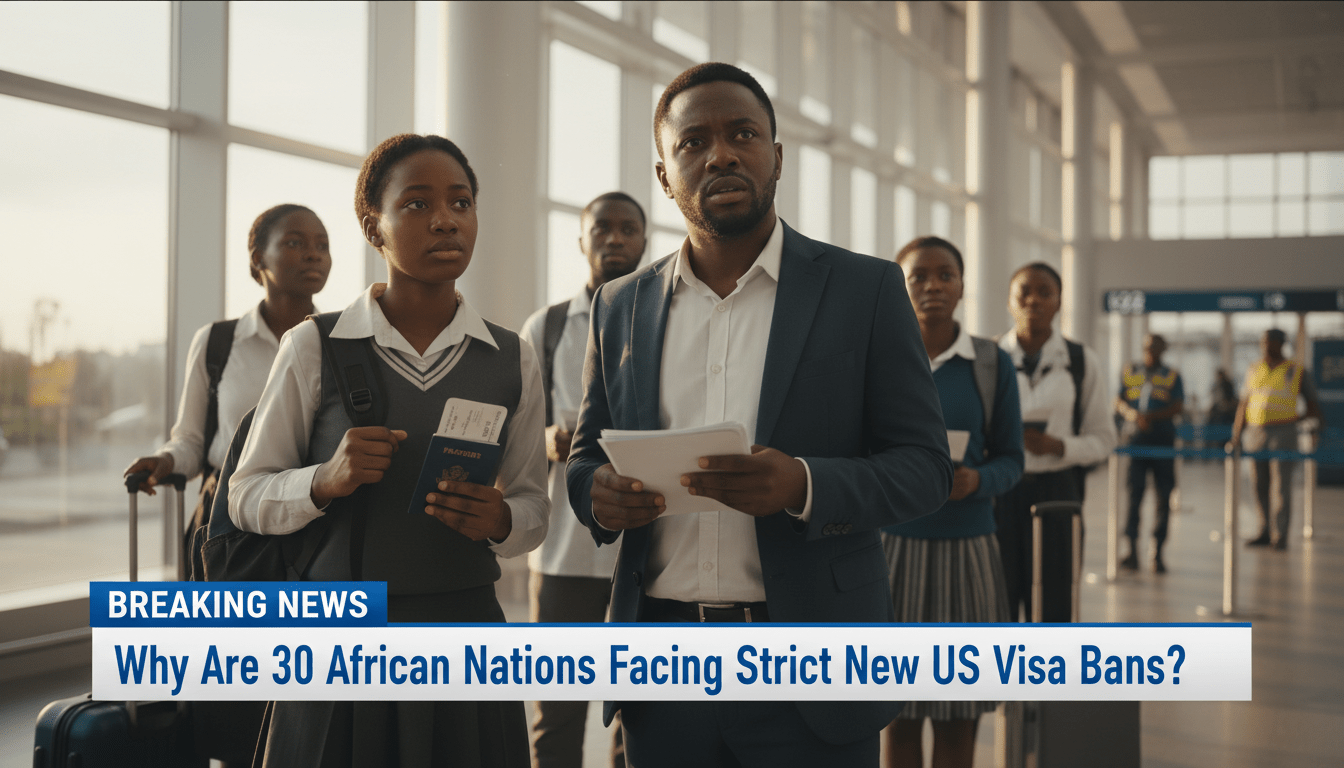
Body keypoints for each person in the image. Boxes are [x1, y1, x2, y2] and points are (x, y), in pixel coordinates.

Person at [567, 63, 952, 767]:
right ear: (664, 175)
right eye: (694, 143)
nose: (721, 153)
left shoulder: (863, 290)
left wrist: (803, 485)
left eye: (743, 133)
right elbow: (586, 453)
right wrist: (595, 494)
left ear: (777, 154)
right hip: (664, 669)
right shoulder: (619, 306)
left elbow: (925, 470)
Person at [230, 134, 548, 767]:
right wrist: (322, 480)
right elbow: (244, 496)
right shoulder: (315, 346)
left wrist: (503, 520)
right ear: (372, 223)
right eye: (417, 204)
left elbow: (533, 504)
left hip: (465, 627)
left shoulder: (512, 356)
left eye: (461, 202)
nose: (444, 220)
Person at [122, 203, 331, 767]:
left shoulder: (337, 342)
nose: (312, 253)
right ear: (256, 260)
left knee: (307, 679)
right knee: (232, 682)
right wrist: (166, 463)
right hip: (227, 527)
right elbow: (192, 440)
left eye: (321, 242)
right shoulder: (218, 343)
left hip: (313, 522)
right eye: (294, 242)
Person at [882, 237, 1023, 768]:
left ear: (963, 286)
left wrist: (977, 481)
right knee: (895, 715)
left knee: (959, 718)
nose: (932, 286)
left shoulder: (990, 363)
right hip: (894, 551)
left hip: (969, 552)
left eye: (945, 275)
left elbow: (1013, 458)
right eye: (918, 276)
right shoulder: (880, 356)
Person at [520, 191, 646, 768]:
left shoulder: (663, 320)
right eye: (602, 230)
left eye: (627, 229)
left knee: (642, 715)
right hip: (564, 557)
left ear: (645, 241)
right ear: (582, 241)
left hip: (648, 551)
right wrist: (545, 440)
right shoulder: (544, 329)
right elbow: (512, 433)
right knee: (558, 714)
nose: (614, 239)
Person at [996, 263, 1116, 623]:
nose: (1033, 300)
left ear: (1059, 301)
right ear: (1009, 301)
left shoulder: (1081, 362)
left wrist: (1060, 447)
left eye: (1045, 292)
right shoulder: (989, 360)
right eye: (1024, 292)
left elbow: (1104, 438)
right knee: (997, 595)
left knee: (1056, 598)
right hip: (1000, 492)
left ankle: (1049, 673)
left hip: (1059, 492)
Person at [1232, 328, 1323, 550]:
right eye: (1263, 342)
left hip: (1284, 432)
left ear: (1281, 343)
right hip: (1255, 432)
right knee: (1258, 484)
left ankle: (1279, 534)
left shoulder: (1296, 370)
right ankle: (1263, 530)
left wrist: (1295, 419)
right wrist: (1236, 434)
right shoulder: (1254, 368)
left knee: (1281, 485)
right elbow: (1244, 403)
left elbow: (1312, 405)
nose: (1265, 346)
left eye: (1269, 342)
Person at [1115, 334, 1184, 573]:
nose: (1150, 350)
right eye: (1146, 346)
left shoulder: (1172, 375)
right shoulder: (1130, 370)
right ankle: (1131, 550)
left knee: (1163, 497)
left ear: (1163, 349)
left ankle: (1157, 551)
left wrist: (1150, 417)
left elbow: (1177, 406)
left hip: (1162, 441)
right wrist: (1133, 415)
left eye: (1155, 346)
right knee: (1134, 496)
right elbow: (1120, 401)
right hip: (1136, 441)